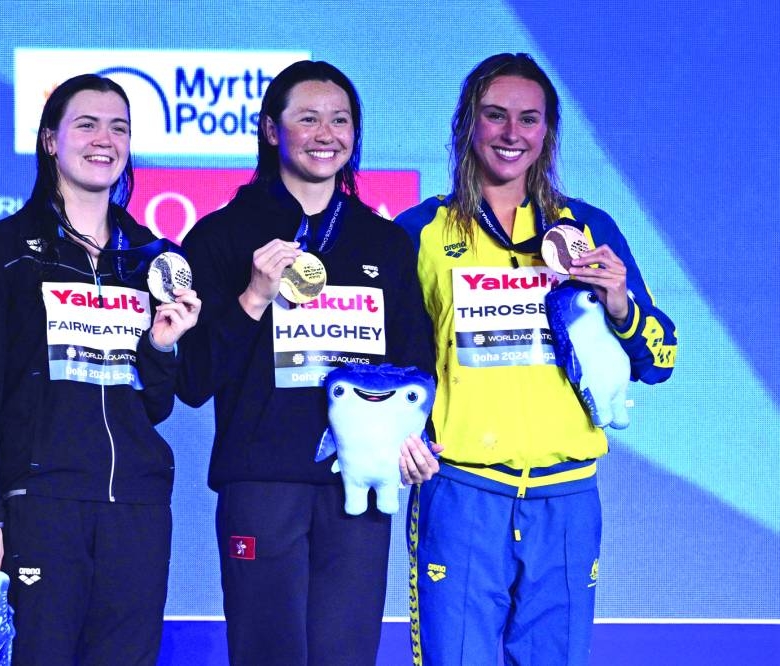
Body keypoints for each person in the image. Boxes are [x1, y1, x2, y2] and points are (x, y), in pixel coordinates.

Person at [396, 53, 678, 665]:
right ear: (467, 123)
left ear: (547, 131)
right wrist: (399, 433)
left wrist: (621, 304)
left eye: (529, 119)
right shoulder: (420, 230)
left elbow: (661, 358)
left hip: (568, 497)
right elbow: (393, 360)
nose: (511, 133)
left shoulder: (589, 227)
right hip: (462, 490)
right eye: (495, 115)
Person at [176, 60, 440, 666]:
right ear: (272, 130)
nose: (327, 134)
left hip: (359, 483)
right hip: (262, 485)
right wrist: (251, 299)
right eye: (309, 118)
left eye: (341, 120)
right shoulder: (219, 236)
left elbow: (414, 362)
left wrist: (412, 437)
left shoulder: (383, 242)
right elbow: (190, 379)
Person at [0, 73, 201, 666]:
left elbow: (154, 404)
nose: (104, 139)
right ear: (50, 140)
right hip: (41, 503)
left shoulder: (154, 259)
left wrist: (161, 348)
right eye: (86, 124)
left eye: (119, 127)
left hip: (136, 507)